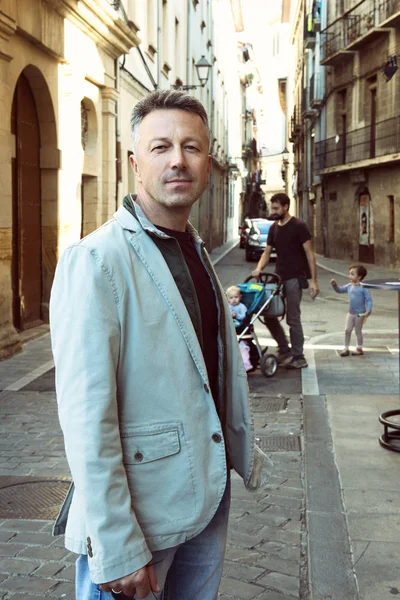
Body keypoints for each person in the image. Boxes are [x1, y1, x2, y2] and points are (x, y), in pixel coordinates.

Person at [50, 90, 268, 600]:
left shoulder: (193, 247)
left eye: (192, 147)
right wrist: (117, 542)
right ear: (134, 163)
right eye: (161, 146)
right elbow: (86, 417)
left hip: (205, 498)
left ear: (208, 164)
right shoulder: (97, 260)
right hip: (139, 517)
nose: (177, 160)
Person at [251, 193, 319, 369]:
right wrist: (259, 269)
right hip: (278, 278)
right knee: (269, 314)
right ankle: (284, 349)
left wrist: (314, 281)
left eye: (276, 208)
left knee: (292, 318)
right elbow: (267, 252)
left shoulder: (299, 226)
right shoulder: (274, 228)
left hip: (295, 277)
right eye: (272, 208)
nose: (273, 211)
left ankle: (298, 356)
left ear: (286, 207)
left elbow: (310, 254)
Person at [330, 265, 372, 356]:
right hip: (350, 313)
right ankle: (346, 348)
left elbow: (368, 300)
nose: (349, 276)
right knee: (347, 330)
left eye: (352, 274)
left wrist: (368, 310)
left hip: (360, 314)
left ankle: (359, 348)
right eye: (349, 274)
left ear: (359, 277)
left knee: (358, 331)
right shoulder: (349, 286)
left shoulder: (363, 288)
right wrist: (334, 285)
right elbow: (339, 290)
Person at [226, 285, 252, 372]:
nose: (234, 300)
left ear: (240, 297)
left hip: (239, 325)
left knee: (242, 347)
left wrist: (237, 315)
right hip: (230, 324)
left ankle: (246, 364)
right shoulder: (228, 306)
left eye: (236, 297)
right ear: (227, 299)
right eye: (231, 298)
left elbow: (244, 316)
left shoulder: (242, 307)